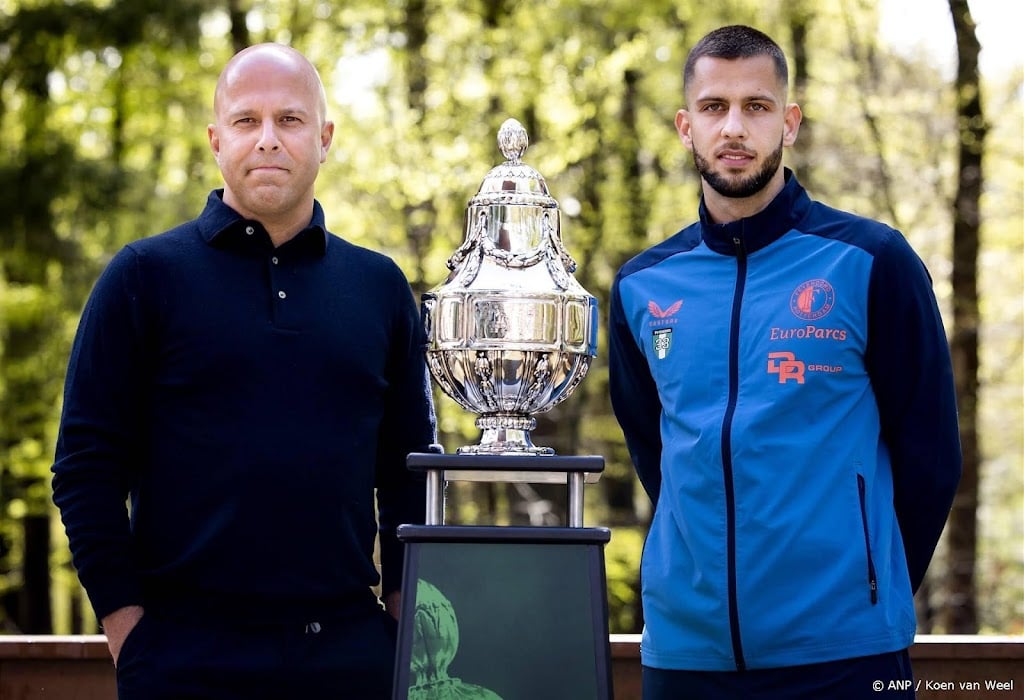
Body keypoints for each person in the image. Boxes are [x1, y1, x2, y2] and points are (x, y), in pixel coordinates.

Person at [51, 43, 437, 699]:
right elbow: (85, 466)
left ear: (325, 138)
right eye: (245, 121)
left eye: (289, 120)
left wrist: (400, 625)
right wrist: (130, 634)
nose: (267, 140)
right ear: (215, 139)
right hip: (184, 660)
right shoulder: (143, 278)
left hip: (348, 658)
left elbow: (411, 474)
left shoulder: (378, 287)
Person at [608, 25, 962, 700]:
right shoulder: (642, 286)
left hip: (845, 654)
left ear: (789, 122)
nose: (734, 127)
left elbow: (931, 456)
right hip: (687, 656)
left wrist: (867, 587)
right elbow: (655, 452)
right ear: (686, 126)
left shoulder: (870, 262)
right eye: (714, 107)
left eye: (757, 106)